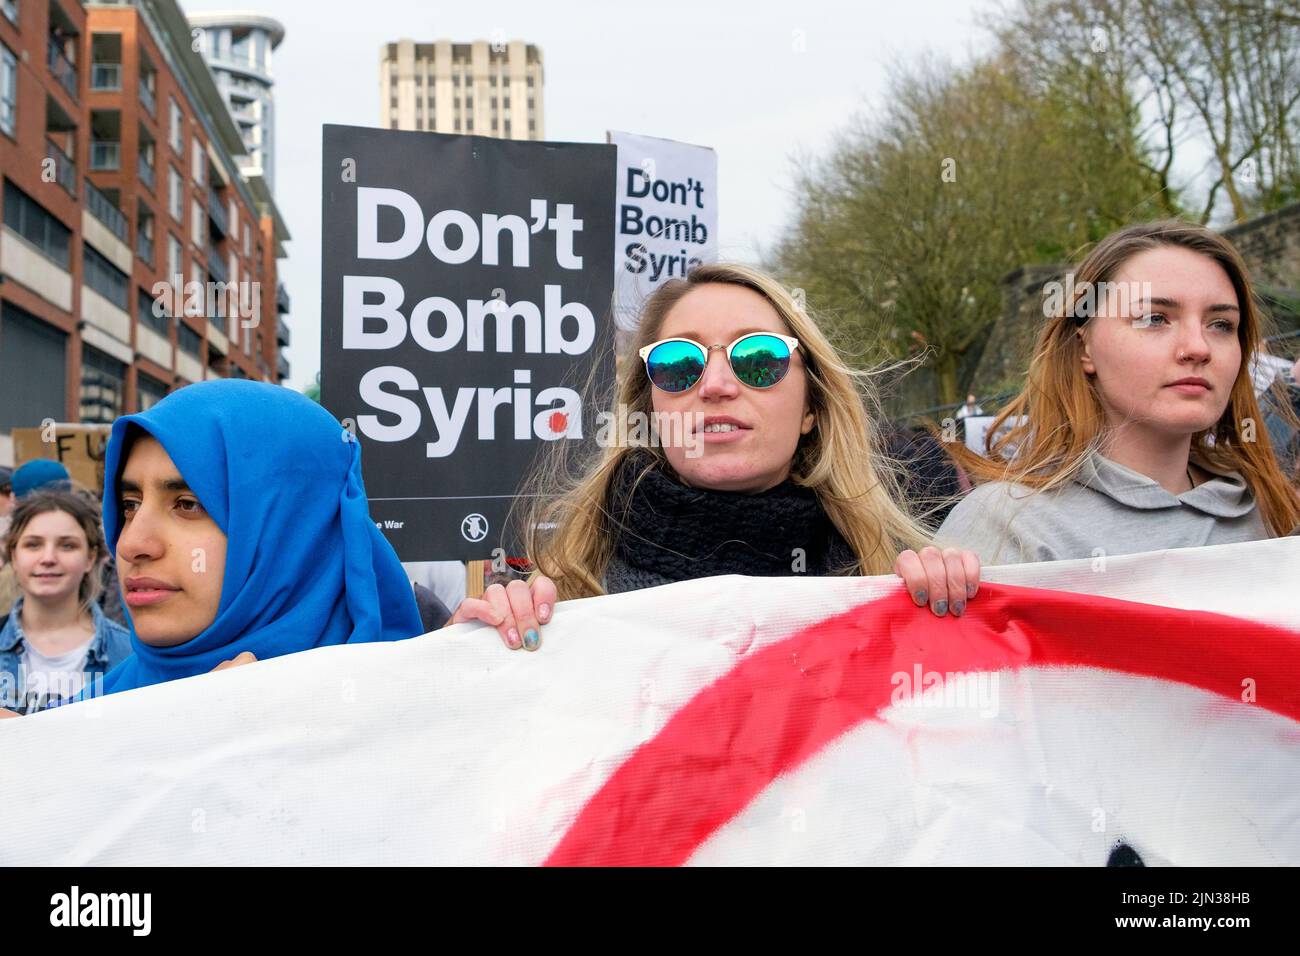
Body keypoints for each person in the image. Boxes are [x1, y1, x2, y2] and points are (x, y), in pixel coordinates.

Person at [446, 263, 983, 651]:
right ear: (650, 408)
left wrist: (961, 620)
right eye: (681, 363)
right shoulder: (560, 602)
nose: (718, 384)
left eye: (758, 357)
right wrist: (459, 670)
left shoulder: (890, 583)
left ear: (811, 408)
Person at [938, 220, 1300, 565]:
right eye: (1154, 318)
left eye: (1221, 324)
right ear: (1085, 347)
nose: (1198, 347)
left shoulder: (1274, 512)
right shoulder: (1003, 527)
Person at [85, 379, 422, 695]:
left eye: (188, 504)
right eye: (130, 505)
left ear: (295, 532)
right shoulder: (62, 734)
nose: (130, 545)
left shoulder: (422, 715)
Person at [0, 490, 131, 713]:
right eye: (33, 545)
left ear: (90, 558)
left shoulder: (127, 653)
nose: (48, 558)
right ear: (14, 555)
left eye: (67, 545)